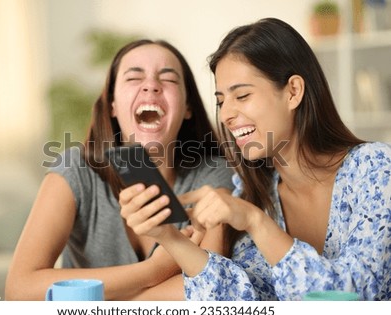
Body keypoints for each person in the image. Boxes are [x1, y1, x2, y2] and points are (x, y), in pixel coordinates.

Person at [121, 18, 391, 300]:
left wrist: (256, 222)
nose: (226, 114)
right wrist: (169, 236)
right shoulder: (257, 194)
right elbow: (243, 299)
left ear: (293, 91)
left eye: (242, 95)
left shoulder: (375, 169)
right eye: (221, 100)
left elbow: (357, 297)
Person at [4, 39, 234, 300]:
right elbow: (19, 289)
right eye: (134, 77)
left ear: (187, 107)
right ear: (112, 104)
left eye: (168, 79)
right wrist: (152, 271)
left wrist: (109, 304)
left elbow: (213, 288)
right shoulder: (75, 170)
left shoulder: (214, 174)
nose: (151, 85)